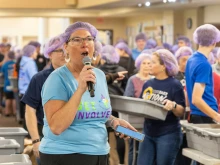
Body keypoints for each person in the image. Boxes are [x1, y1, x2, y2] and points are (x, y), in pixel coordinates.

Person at [39, 21, 136, 165]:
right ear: (66, 46)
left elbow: (94, 109)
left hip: (99, 152)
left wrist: (113, 121)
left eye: (89, 39)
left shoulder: (99, 75)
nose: (84, 44)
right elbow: (56, 127)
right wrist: (80, 90)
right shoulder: (57, 79)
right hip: (65, 155)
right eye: (77, 40)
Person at [21, 34, 67, 165]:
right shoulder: (40, 78)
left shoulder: (77, 77)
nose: (64, 54)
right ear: (50, 53)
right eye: (60, 51)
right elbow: (30, 110)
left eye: (66, 50)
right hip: (46, 137)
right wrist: (35, 140)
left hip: (72, 139)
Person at [137, 49, 185, 165]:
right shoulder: (148, 84)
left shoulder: (175, 85)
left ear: (163, 66)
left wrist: (173, 105)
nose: (149, 65)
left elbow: (181, 111)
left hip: (168, 133)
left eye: (153, 62)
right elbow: (140, 105)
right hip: (148, 132)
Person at [185, 24, 220, 124]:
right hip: (205, 115)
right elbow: (196, 99)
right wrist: (216, 116)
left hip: (196, 114)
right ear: (214, 42)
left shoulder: (191, 59)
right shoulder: (204, 64)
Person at [124, 53, 152, 165]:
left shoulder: (154, 80)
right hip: (134, 122)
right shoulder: (133, 79)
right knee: (134, 148)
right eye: (144, 63)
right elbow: (127, 100)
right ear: (139, 65)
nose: (146, 66)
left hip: (150, 122)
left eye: (149, 63)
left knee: (147, 150)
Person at [18, 45, 38, 126]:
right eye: (35, 51)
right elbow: (35, 78)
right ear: (31, 53)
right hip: (29, 91)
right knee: (30, 115)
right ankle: (29, 135)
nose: (37, 53)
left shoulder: (23, 62)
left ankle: (27, 134)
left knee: (26, 114)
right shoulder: (30, 63)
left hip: (23, 90)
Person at [1, 51, 16, 116]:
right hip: (15, 84)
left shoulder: (5, 65)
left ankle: (7, 112)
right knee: (14, 98)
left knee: (8, 98)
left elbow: (2, 74)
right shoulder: (16, 63)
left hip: (7, 83)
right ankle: (15, 112)